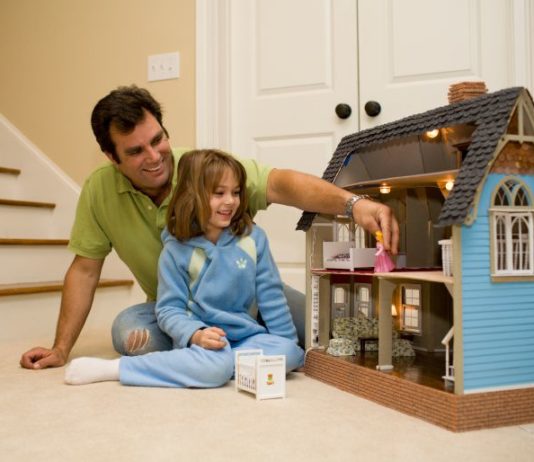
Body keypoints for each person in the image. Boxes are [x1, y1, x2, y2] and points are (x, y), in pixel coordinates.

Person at [19, 85, 399, 370]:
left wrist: (354, 204)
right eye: (135, 151)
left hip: (246, 297)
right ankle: (219, 353)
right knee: (128, 335)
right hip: (180, 308)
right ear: (111, 156)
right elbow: (85, 270)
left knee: (322, 331)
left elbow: (281, 183)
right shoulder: (98, 190)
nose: (154, 158)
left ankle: (216, 355)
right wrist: (61, 348)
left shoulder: (206, 170)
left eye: (158, 140)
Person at [64, 149, 304, 387]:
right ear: (193, 196)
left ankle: (210, 366)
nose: (230, 201)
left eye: (236, 192)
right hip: (202, 339)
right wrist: (195, 334)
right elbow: (169, 309)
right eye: (219, 193)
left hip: (247, 338)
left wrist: (288, 344)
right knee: (214, 366)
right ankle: (116, 369)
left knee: (290, 353)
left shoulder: (254, 239)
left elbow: (271, 296)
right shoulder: (176, 250)